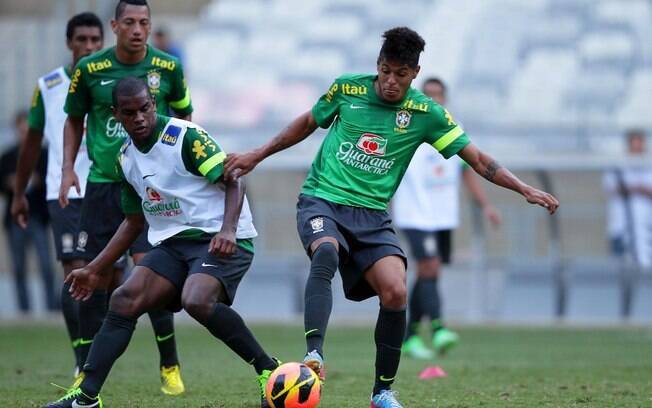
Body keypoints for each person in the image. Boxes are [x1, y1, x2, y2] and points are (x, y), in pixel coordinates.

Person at [225, 27, 559, 408]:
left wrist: (525, 189)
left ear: (414, 73)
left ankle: (382, 392)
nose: (389, 81)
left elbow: (478, 159)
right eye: (385, 70)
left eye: (400, 74)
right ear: (377, 65)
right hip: (322, 201)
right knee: (327, 253)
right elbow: (305, 124)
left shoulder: (425, 113)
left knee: (397, 290)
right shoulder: (347, 89)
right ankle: (314, 354)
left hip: (371, 216)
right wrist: (257, 154)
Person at [43, 77, 279, 408]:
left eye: (144, 108)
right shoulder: (125, 158)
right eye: (129, 112)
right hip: (173, 245)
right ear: (116, 114)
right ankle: (85, 397)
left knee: (196, 299)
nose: (138, 117)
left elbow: (234, 178)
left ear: (153, 105)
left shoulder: (185, 138)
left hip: (221, 238)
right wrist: (95, 269)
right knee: (123, 299)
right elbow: (133, 221)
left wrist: (227, 229)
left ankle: (268, 369)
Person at [59, 0, 194, 395]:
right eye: (130, 22)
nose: (138, 29)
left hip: (150, 185)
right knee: (93, 277)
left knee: (150, 272)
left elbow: (186, 118)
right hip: (103, 184)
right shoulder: (90, 70)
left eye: (145, 23)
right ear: (115, 25)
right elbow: (73, 120)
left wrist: (179, 169)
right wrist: (69, 169)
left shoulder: (168, 67)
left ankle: (169, 361)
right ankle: (84, 371)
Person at [12, 11, 102, 377]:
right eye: (82, 39)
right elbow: (32, 142)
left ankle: (101, 352)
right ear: (69, 43)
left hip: (107, 188)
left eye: (96, 40)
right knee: (74, 273)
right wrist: (19, 193)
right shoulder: (48, 85)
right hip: (63, 191)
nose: (89, 47)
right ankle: (82, 360)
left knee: (111, 277)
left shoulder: (111, 80)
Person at [393, 77, 502, 360]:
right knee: (428, 267)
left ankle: (411, 337)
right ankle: (439, 328)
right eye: (428, 94)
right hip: (414, 213)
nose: (433, 99)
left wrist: (486, 205)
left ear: (445, 98)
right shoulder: (407, 125)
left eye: (438, 95)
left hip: (442, 216)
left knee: (430, 273)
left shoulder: (453, 129)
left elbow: (468, 169)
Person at [0, 110, 55, 313]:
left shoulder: (45, 154)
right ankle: (24, 312)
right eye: (21, 130)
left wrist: (37, 180)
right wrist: (10, 183)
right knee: (19, 268)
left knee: (46, 265)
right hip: (15, 220)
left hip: (38, 217)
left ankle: (51, 309)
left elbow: (53, 180)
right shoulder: (7, 156)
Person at [603, 129, 652, 268]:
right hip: (621, 228)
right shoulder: (618, 165)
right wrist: (639, 189)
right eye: (634, 144)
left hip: (648, 229)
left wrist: (633, 188)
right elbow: (612, 188)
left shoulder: (649, 166)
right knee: (621, 269)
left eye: (640, 144)